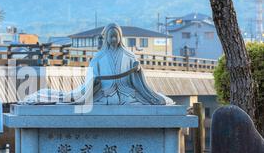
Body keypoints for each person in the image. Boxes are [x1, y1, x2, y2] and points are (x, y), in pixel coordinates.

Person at [22, 23, 172, 105]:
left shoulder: (129, 56)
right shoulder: (98, 58)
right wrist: (95, 82)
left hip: (127, 95)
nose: (113, 39)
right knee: (69, 97)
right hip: (103, 94)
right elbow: (90, 79)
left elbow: (136, 79)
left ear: (120, 37)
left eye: (116, 36)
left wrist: (138, 70)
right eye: (111, 37)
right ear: (106, 38)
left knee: (148, 102)